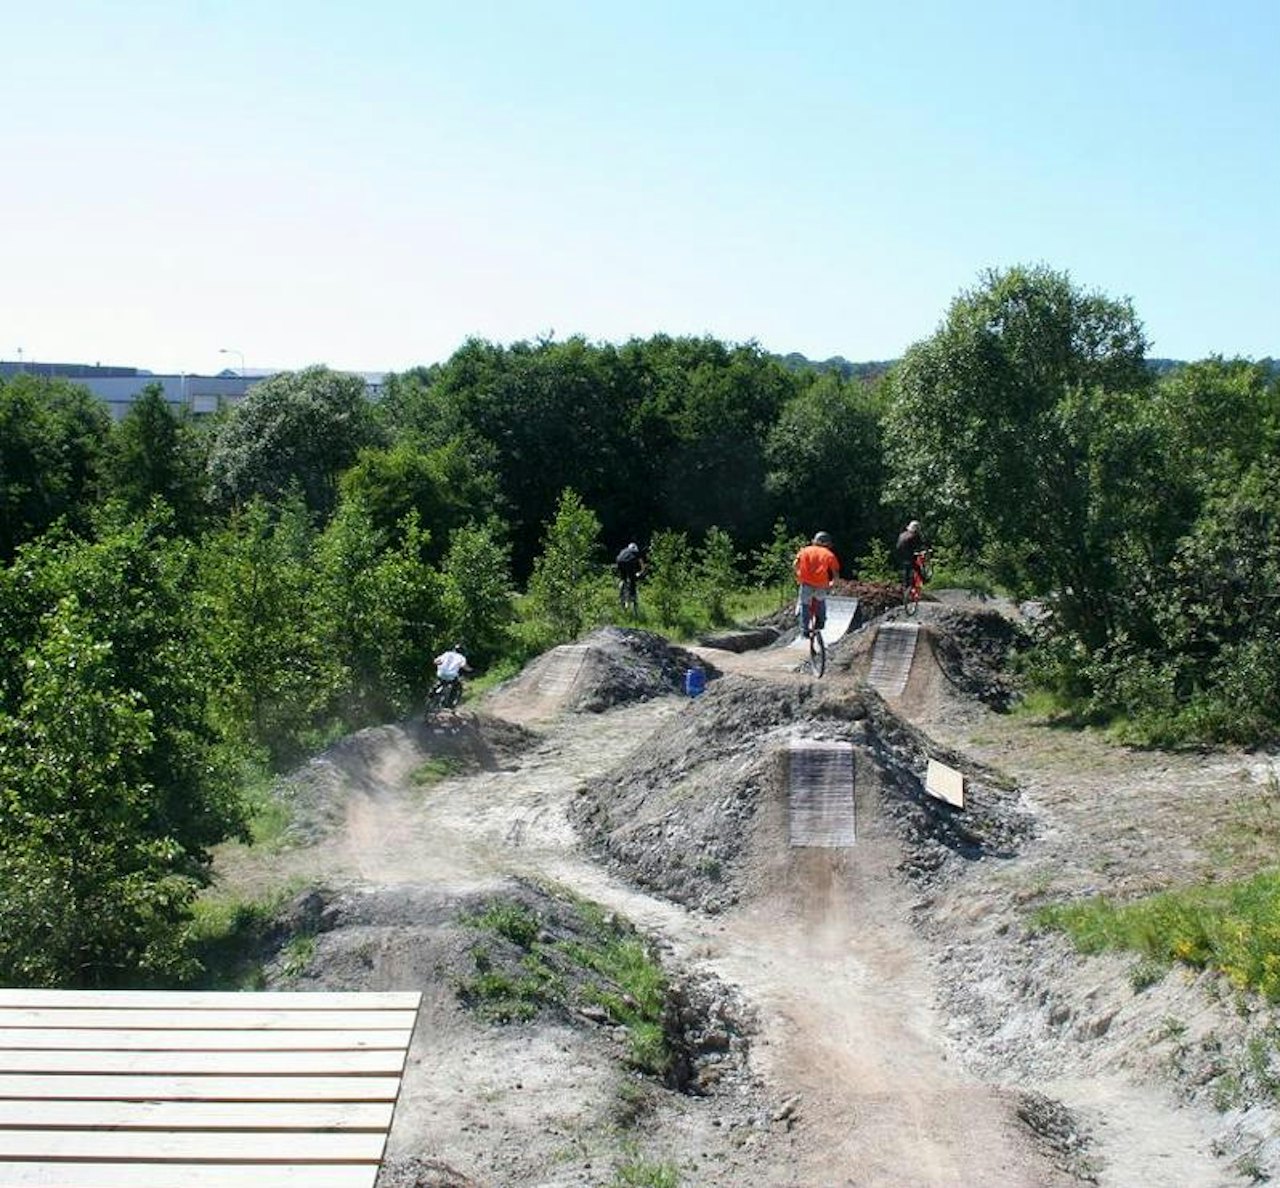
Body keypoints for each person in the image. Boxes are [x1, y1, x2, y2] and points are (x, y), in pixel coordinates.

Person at [794, 531, 840, 638]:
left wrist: (798, 575)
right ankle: (821, 621)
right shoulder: (828, 554)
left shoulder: (804, 550)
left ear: (814, 541)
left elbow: (795, 564)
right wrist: (832, 583)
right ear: (827, 544)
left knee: (804, 604)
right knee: (820, 601)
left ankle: (805, 629)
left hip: (806, 583)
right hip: (821, 584)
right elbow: (835, 573)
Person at [895, 520, 927, 592]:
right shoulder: (914, 536)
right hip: (909, 555)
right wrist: (923, 551)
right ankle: (923, 580)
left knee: (906, 569)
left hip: (900, 555)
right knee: (917, 567)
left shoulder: (902, 534)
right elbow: (920, 545)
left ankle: (905, 586)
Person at [615, 541, 645, 610]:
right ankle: (633, 595)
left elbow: (619, 557)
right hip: (628, 563)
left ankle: (622, 587)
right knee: (632, 580)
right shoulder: (635, 552)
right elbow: (641, 564)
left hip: (619, 561)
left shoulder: (624, 550)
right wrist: (641, 572)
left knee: (624, 578)